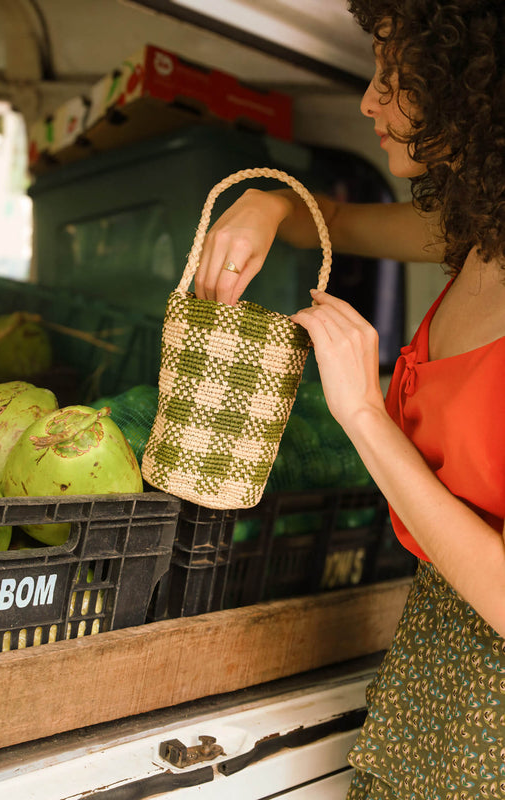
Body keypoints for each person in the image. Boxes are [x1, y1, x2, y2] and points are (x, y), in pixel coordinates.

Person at [196, 1, 505, 798]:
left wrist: (363, 415)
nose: (368, 101)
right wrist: (268, 203)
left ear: (478, 93)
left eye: (396, 80)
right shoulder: (476, 235)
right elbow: (326, 219)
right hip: (433, 692)